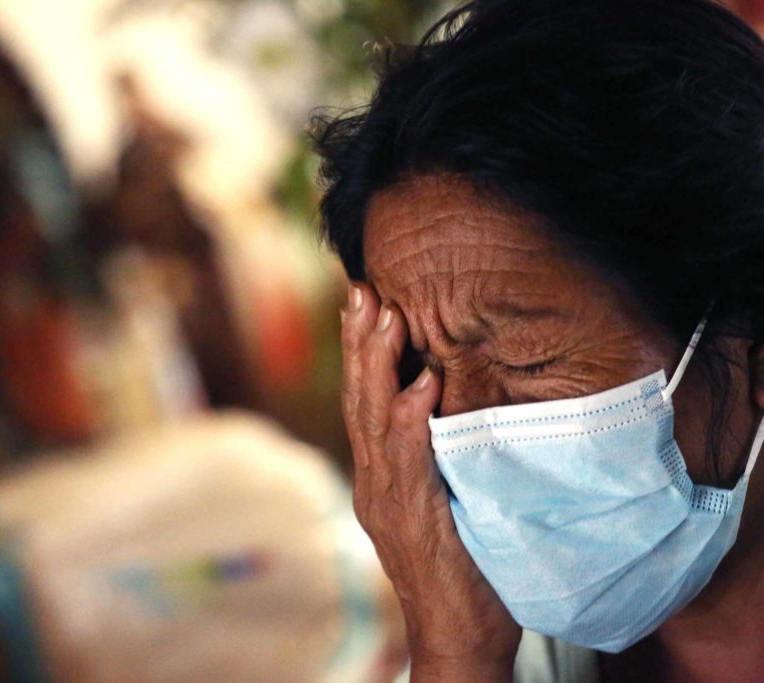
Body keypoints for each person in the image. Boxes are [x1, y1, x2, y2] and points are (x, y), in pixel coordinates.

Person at [312, 1, 764, 681]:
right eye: (419, 368)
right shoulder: (498, 640)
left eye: (530, 357)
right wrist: (456, 652)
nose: (463, 429)